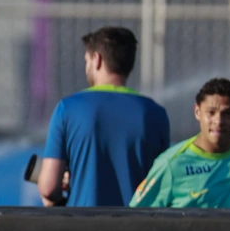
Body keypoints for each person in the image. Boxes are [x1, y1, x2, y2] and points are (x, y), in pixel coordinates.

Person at [38, 26, 171, 207]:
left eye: (86, 61)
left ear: (97, 59)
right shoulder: (155, 113)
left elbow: (49, 188)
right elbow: (162, 185)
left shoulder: (67, 108)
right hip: (138, 223)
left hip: (83, 222)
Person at [129, 78, 230, 208]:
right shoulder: (172, 163)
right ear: (197, 112)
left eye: (227, 113)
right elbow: (137, 215)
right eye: (211, 112)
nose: (218, 121)